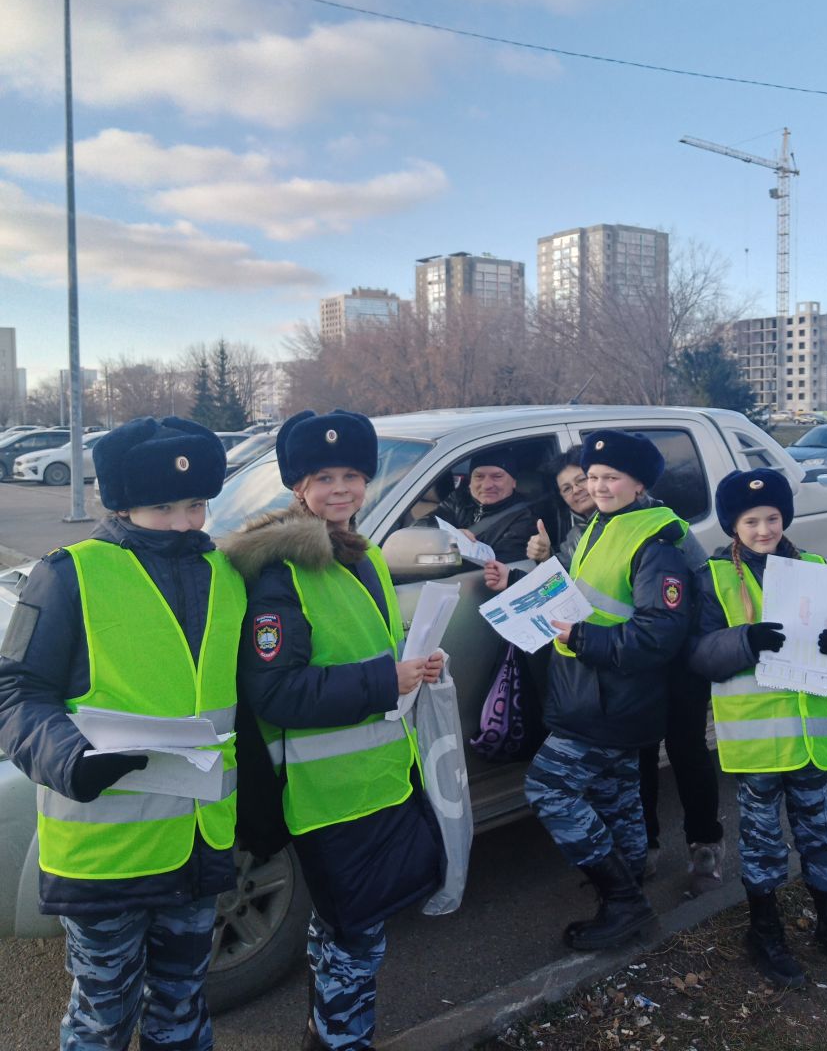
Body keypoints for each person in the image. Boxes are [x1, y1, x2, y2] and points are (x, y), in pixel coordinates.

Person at [0, 417, 246, 1051]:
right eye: (164, 508)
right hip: (106, 858)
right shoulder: (68, 574)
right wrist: (70, 758)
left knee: (183, 1009)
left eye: (196, 505)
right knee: (102, 1018)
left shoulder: (226, 574)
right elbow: (16, 691)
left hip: (199, 844)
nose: (184, 523)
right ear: (122, 505)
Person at [222, 409, 444, 1051]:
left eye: (352, 475)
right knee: (357, 939)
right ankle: (341, 1040)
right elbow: (275, 691)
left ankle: (328, 1033)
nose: (341, 488)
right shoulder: (281, 570)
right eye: (324, 477)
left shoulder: (358, 551)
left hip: (374, 782)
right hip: (326, 798)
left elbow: (365, 645)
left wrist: (415, 663)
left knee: (341, 931)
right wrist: (385, 679)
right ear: (298, 486)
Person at [689, 468, 827, 987]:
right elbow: (698, 654)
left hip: (811, 738)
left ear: (784, 518)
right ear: (733, 525)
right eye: (751, 520)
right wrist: (746, 641)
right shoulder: (713, 577)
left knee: (821, 836)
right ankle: (765, 932)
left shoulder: (814, 568)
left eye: (772, 517)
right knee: (762, 843)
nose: (763, 529)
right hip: (758, 744)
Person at [507, 429, 692, 952]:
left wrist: (583, 639)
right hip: (589, 693)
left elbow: (661, 634)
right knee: (618, 796)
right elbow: (579, 595)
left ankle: (623, 900)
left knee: (548, 788)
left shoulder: (655, 543)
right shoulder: (598, 527)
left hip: (614, 699)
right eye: (593, 476)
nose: (599, 486)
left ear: (639, 485)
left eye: (612, 477)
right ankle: (630, 887)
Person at [427, 446, 535, 563]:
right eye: (479, 476)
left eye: (497, 477)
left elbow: (501, 565)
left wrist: (458, 545)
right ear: (470, 482)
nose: (486, 485)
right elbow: (423, 525)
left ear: (514, 482)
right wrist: (449, 534)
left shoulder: (526, 516)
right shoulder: (458, 499)